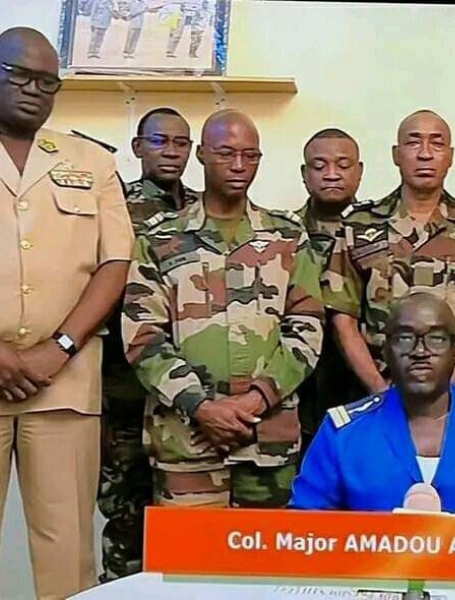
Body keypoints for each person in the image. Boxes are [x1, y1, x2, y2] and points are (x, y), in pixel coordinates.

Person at [0, 28, 133, 599]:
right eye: (18, 75)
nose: (32, 90)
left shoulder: (92, 161)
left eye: (47, 83)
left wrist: (59, 348)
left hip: (62, 383)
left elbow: (115, 263)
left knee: (68, 554)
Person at [122, 109, 324, 509]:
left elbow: (307, 326)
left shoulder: (286, 236)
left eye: (250, 155)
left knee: (265, 550)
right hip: (187, 442)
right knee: (186, 551)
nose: (239, 165)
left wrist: (256, 400)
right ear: (201, 154)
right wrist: (202, 407)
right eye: (226, 153)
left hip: (267, 440)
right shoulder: (160, 238)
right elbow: (142, 335)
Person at [291, 293, 455, 515]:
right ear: (386, 351)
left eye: (436, 338)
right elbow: (304, 533)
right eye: (405, 338)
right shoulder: (343, 433)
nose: (420, 352)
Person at [323, 110, 455, 396]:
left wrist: (444, 391)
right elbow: (343, 319)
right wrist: (380, 392)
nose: (425, 154)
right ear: (396, 154)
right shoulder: (359, 226)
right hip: (377, 390)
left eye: (437, 144)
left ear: (450, 156)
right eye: (414, 143)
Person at [98, 107, 199, 583]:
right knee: (127, 511)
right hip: (126, 387)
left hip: (188, 384)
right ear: (138, 147)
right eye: (160, 141)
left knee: (184, 517)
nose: (171, 152)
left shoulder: (205, 207)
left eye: (181, 143)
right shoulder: (115, 205)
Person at [295, 128, 364, 452]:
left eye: (343, 165)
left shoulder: (380, 231)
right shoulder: (281, 233)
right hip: (301, 384)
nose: (332, 174)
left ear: (359, 171)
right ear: (304, 174)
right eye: (319, 166)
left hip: (366, 379)